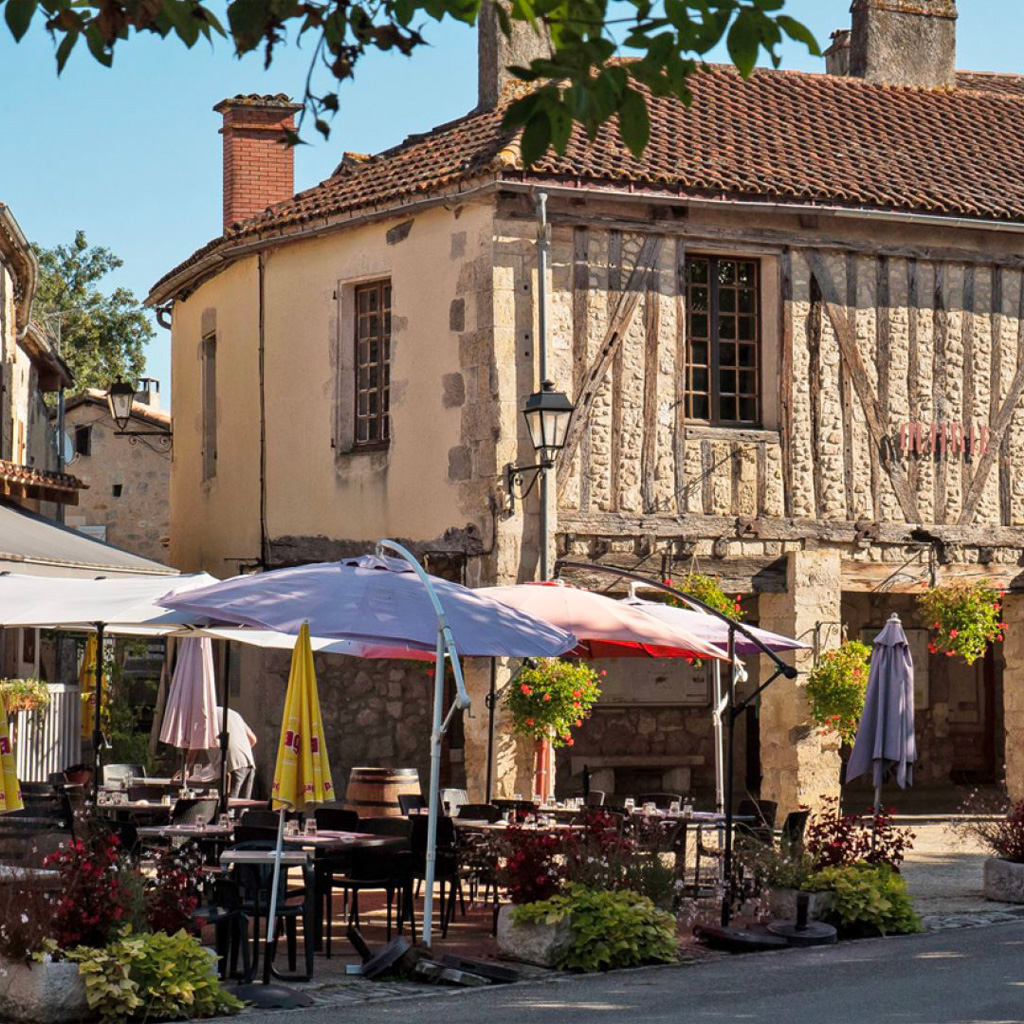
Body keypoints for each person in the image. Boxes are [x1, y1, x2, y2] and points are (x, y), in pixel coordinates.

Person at [210, 705, 258, 798]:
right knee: (243, 807)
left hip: (231, 766)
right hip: (249, 764)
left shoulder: (205, 717)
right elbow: (253, 739)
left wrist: (187, 768)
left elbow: (195, 746)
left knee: (228, 807)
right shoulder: (233, 713)